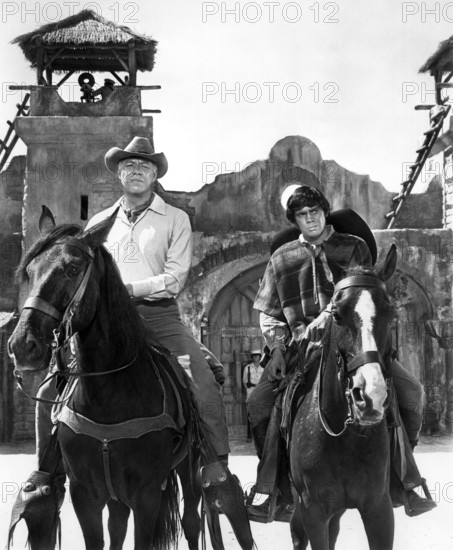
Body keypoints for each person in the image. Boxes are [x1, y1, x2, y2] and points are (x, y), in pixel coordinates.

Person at [24, 136, 250, 541]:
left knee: (201, 381)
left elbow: (176, 277)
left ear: (155, 173)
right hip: (103, 323)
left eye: (144, 166)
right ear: (118, 173)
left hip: (157, 316)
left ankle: (215, 470)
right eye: (128, 165)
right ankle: (45, 477)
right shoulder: (97, 225)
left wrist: (129, 291)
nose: (135, 171)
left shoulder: (174, 218)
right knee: (50, 387)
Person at [246, 184, 436, 522]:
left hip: (353, 341)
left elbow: (363, 295)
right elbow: (268, 313)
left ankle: (401, 478)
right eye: (302, 215)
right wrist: (276, 348)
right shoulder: (282, 258)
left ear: (324, 210)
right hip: (300, 347)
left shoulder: (353, 247)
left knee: (411, 394)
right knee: (259, 404)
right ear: (295, 219)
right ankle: (273, 488)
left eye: (315, 212)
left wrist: (333, 320)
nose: (310, 219)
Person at [243, 349, 264, 441]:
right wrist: (249, 390)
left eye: (258, 356)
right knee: (250, 414)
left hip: (260, 393)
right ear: (252, 357)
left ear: (260, 357)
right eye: (254, 356)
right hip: (250, 392)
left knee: (260, 414)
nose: (256, 358)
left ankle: (259, 435)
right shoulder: (247, 368)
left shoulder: (263, 369)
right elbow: (244, 381)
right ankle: (249, 436)